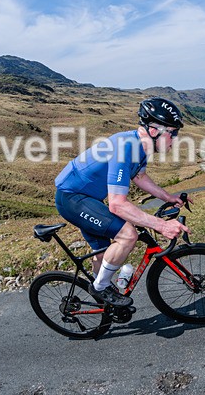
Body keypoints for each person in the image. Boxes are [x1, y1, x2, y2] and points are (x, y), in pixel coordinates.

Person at [54, 97, 191, 306]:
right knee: (128, 235)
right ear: (154, 131)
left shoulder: (139, 145)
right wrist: (161, 225)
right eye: (172, 133)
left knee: (102, 252)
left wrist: (168, 197)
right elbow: (117, 204)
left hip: (88, 199)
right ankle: (99, 288)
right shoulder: (125, 148)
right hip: (72, 199)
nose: (174, 139)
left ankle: (104, 302)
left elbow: (140, 177)